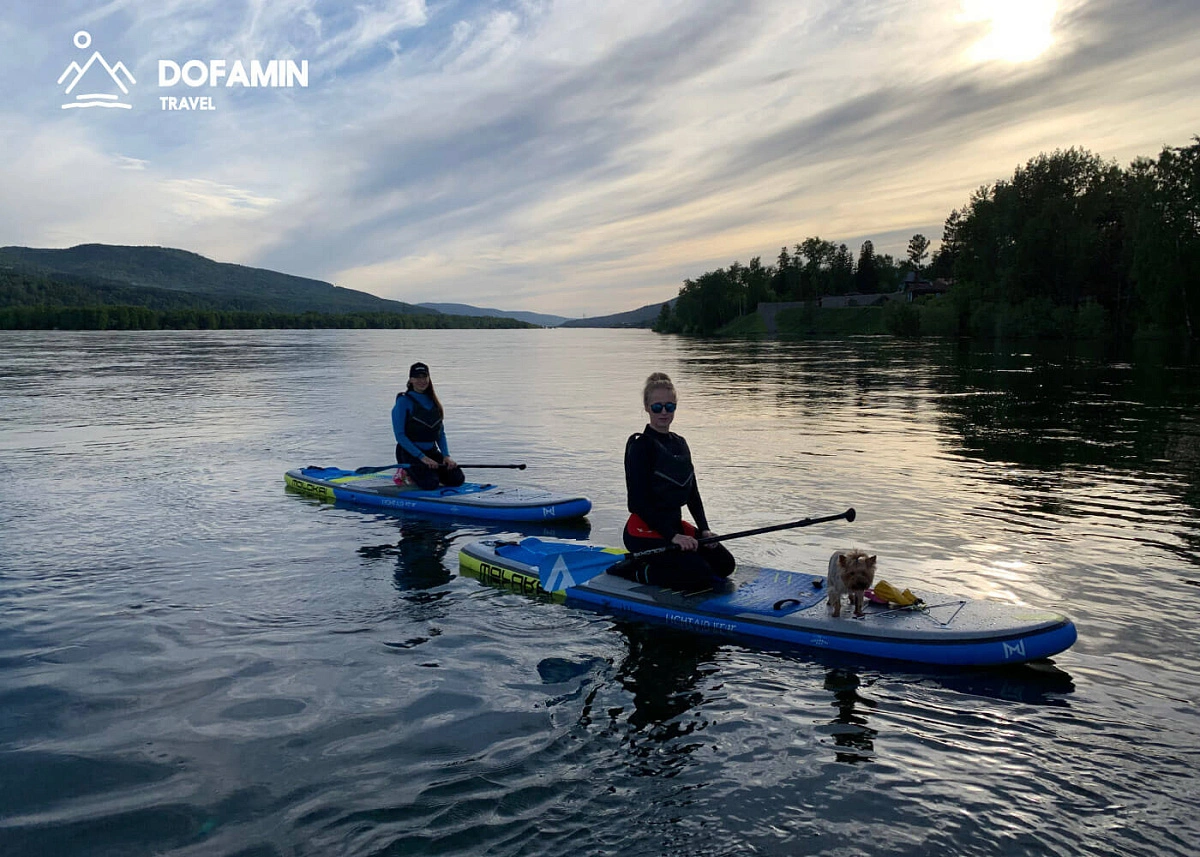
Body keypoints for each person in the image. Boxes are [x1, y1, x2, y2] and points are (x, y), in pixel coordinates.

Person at [614, 372, 735, 590]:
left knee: (725, 565)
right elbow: (636, 504)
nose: (663, 413)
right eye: (657, 407)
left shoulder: (680, 443)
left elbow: (692, 493)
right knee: (699, 576)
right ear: (646, 407)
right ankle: (634, 568)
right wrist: (672, 537)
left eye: (669, 407)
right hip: (643, 531)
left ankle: (677, 562)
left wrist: (705, 530)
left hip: (675, 528)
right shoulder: (641, 447)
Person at [391, 362, 465, 490]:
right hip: (409, 453)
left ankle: (428, 474)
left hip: (431, 451)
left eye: (424, 377)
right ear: (411, 380)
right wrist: (422, 458)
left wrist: (446, 456)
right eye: (417, 377)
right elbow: (400, 436)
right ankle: (404, 473)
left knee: (457, 479)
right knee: (430, 484)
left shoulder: (433, 401)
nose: (422, 380)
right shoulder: (403, 402)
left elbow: (440, 434)